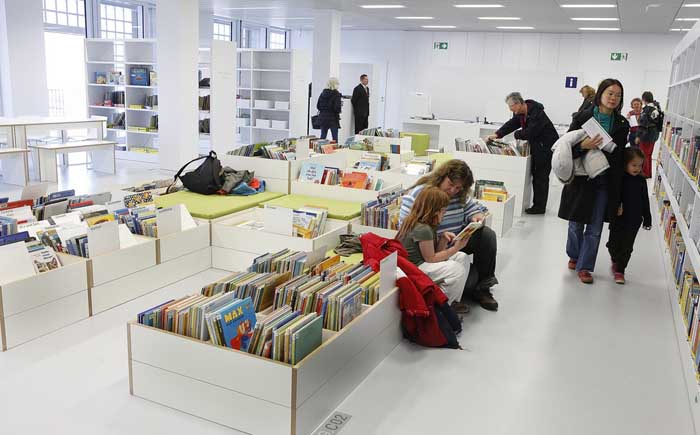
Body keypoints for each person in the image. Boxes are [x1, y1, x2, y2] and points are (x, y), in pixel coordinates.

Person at [400, 159, 499, 311]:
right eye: (450, 184)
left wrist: (477, 217)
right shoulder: (421, 196)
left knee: (487, 236)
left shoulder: (460, 195)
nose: (453, 190)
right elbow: (408, 229)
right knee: (467, 278)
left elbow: (475, 209)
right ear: (441, 177)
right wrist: (451, 247)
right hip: (428, 251)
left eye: (458, 188)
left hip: (448, 244)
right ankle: (443, 303)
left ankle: (481, 289)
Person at [559, 78, 629, 284]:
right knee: (575, 224)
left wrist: (620, 193)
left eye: (618, 95)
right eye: (610, 93)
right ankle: (574, 254)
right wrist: (584, 146)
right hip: (581, 178)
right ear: (600, 94)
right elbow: (566, 146)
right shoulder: (582, 117)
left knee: (595, 227)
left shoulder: (622, 124)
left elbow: (619, 157)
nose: (614, 98)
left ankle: (585, 266)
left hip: (605, 180)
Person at [396, 186, 471, 314]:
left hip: (421, 263)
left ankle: (452, 302)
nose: (444, 214)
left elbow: (434, 254)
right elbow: (431, 258)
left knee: (462, 257)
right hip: (415, 268)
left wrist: (443, 240)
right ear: (436, 211)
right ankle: (441, 307)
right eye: (443, 211)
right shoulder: (423, 228)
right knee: (456, 269)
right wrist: (455, 247)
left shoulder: (426, 224)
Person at [487, 92, 559, 215]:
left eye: (511, 106)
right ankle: (537, 204)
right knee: (536, 176)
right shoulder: (520, 113)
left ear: (519, 103)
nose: (510, 109)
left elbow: (530, 132)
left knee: (541, 177)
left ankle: (539, 207)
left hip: (546, 148)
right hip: (537, 147)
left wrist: (516, 134)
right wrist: (497, 134)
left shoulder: (537, 113)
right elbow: (511, 124)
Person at [605, 147, 652, 285]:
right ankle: (615, 259)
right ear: (625, 163)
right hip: (619, 218)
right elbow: (613, 196)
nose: (637, 168)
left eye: (640, 165)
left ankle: (620, 270)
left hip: (634, 219)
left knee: (627, 246)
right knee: (612, 244)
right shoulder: (620, 179)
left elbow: (645, 200)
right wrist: (615, 207)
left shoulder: (641, 181)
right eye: (634, 165)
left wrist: (647, 218)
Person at [636, 91, 664, 178]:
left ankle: (645, 173)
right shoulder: (657, 107)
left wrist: (638, 136)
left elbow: (643, 123)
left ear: (644, 99)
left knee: (644, 154)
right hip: (654, 134)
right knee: (649, 154)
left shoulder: (647, 109)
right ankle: (648, 173)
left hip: (646, 135)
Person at [316, 77, 342, 142]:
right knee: (335, 138)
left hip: (323, 118)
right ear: (335, 84)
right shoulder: (336, 94)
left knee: (323, 136)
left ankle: (320, 148)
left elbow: (318, 106)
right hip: (333, 119)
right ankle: (335, 148)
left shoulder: (322, 93)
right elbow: (337, 108)